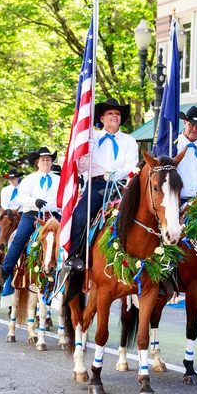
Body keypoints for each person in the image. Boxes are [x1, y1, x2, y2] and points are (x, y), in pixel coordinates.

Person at [65, 98, 139, 269]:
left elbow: (131, 165)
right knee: (81, 215)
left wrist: (114, 175)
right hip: (96, 185)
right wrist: (84, 153)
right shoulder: (91, 138)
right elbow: (81, 168)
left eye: (118, 113)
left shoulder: (129, 140)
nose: (115, 116)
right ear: (102, 118)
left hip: (122, 186)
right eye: (110, 113)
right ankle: (75, 256)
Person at [0, 147, 61, 285]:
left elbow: (65, 198)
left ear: (52, 162)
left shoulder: (59, 180)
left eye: (48, 159)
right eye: (43, 160)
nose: (46, 162)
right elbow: (21, 198)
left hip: (53, 216)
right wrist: (34, 202)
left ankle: (70, 269)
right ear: (37, 163)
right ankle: (5, 270)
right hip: (31, 214)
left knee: (67, 237)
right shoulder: (29, 179)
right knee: (19, 238)